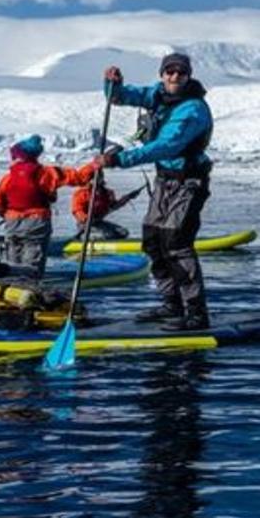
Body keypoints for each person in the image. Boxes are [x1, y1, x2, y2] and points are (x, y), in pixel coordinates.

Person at [103, 52, 216, 331]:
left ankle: (196, 313)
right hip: (164, 181)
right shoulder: (157, 94)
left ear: (188, 76)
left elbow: (166, 146)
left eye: (180, 72)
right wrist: (112, 85)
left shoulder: (193, 110)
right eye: (169, 71)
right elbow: (121, 97)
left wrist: (119, 159)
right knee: (153, 240)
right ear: (162, 74)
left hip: (189, 182)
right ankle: (171, 304)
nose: (174, 77)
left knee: (176, 243)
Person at [0, 134, 96, 277]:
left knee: (14, 258)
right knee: (33, 265)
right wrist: (95, 165)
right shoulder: (48, 173)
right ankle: (21, 279)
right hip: (37, 223)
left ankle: (9, 276)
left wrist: (8, 215)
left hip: (12, 224)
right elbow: (78, 177)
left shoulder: (8, 177)